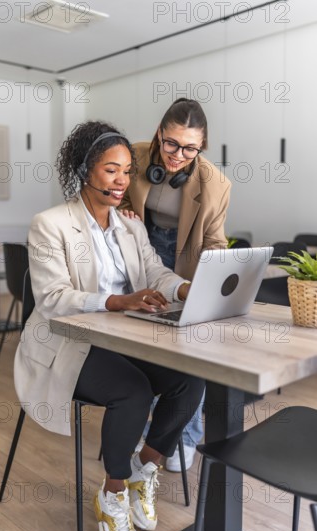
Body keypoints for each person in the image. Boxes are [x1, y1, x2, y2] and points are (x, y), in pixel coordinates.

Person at [14, 120, 205, 531]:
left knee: (190, 379)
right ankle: (113, 495)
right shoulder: (50, 224)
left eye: (126, 171)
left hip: (126, 337)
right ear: (86, 170)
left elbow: (155, 271)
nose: (122, 181)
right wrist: (118, 301)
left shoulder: (130, 225)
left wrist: (184, 287)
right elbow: (52, 298)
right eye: (110, 170)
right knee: (133, 392)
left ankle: (143, 472)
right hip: (69, 341)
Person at [120, 98, 232, 472]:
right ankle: (151, 427)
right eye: (171, 144)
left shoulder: (215, 183)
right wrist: (119, 209)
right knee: (146, 345)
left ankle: (183, 435)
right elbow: (105, 194)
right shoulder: (132, 156)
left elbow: (215, 241)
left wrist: (212, 281)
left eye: (189, 148)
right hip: (140, 252)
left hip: (186, 258)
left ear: (201, 147)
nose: (177, 155)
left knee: (187, 351)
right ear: (159, 134)